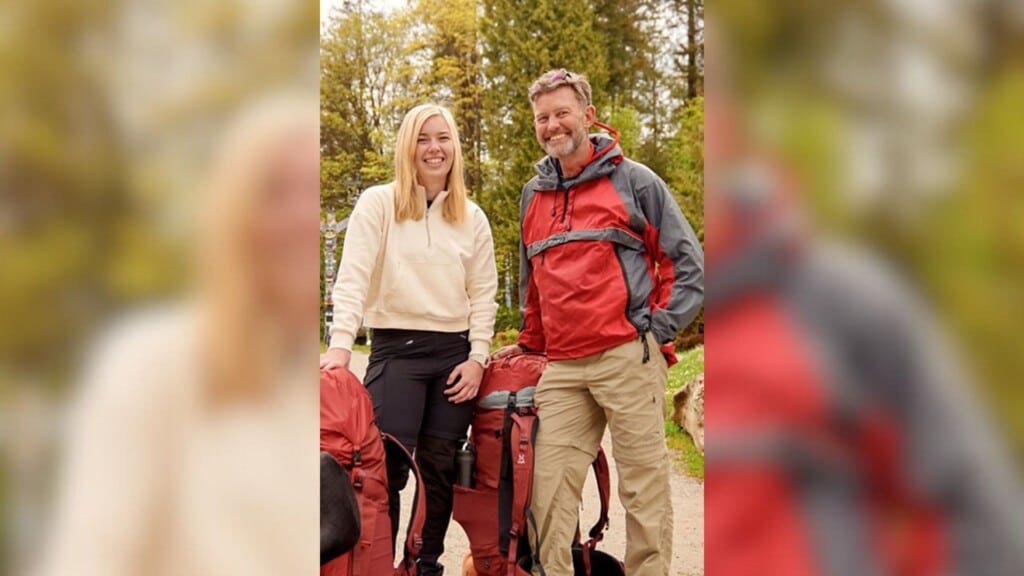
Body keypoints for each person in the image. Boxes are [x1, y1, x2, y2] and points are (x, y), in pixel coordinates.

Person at [38, 95, 321, 576]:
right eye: (274, 191)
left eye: (314, 190)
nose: (302, 217)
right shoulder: (152, 366)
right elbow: (89, 555)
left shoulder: (323, 390)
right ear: (233, 216)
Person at [493, 70, 704, 576]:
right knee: (546, 492)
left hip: (626, 357)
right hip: (563, 369)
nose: (552, 125)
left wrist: (655, 332)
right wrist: (529, 345)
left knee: (642, 488)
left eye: (562, 112)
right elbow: (534, 285)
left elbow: (686, 262)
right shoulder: (533, 195)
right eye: (542, 117)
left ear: (587, 115)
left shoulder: (635, 181)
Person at [320, 103, 499, 576]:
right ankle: (378, 564)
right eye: (423, 138)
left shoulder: (472, 218)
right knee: (387, 471)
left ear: (455, 148)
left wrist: (478, 357)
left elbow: (484, 295)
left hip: (453, 356)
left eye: (443, 138)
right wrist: (340, 346)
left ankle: (425, 565)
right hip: (396, 351)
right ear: (407, 147)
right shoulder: (378, 204)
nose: (434, 148)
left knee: (439, 472)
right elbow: (353, 276)